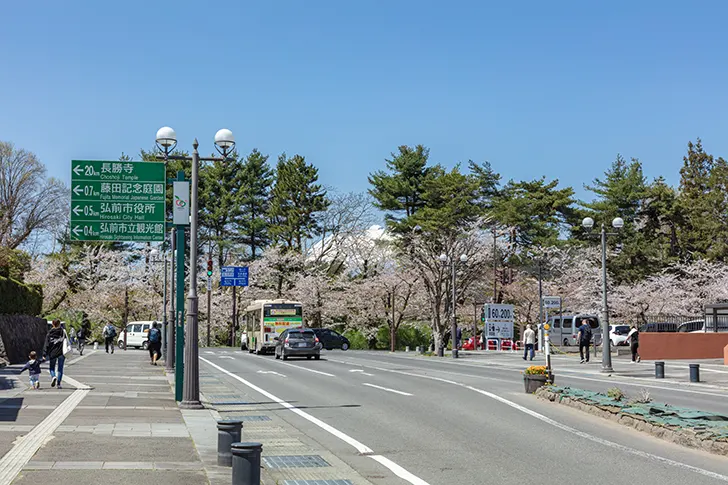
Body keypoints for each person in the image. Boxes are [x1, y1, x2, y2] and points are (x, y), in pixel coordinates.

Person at [43, 319, 67, 389]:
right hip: (61, 352)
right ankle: (58, 384)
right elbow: (66, 341)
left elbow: (46, 345)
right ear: (59, 324)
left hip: (52, 352)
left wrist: (44, 354)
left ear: (53, 324)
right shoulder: (63, 332)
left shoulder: (50, 333)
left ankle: (53, 377)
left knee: (52, 368)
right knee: (60, 368)